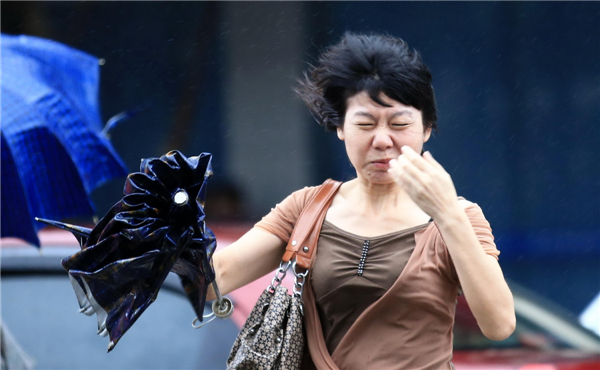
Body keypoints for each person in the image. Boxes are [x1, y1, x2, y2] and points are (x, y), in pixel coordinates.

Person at [208, 32, 515, 370]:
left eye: (400, 124)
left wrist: (446, 213)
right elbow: (214, 281)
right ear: (340, 127)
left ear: (427, 128)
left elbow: (499, 325)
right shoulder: (308, 207)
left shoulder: (461, 216)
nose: (382, 140)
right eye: (365, 124)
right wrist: (161, 226)